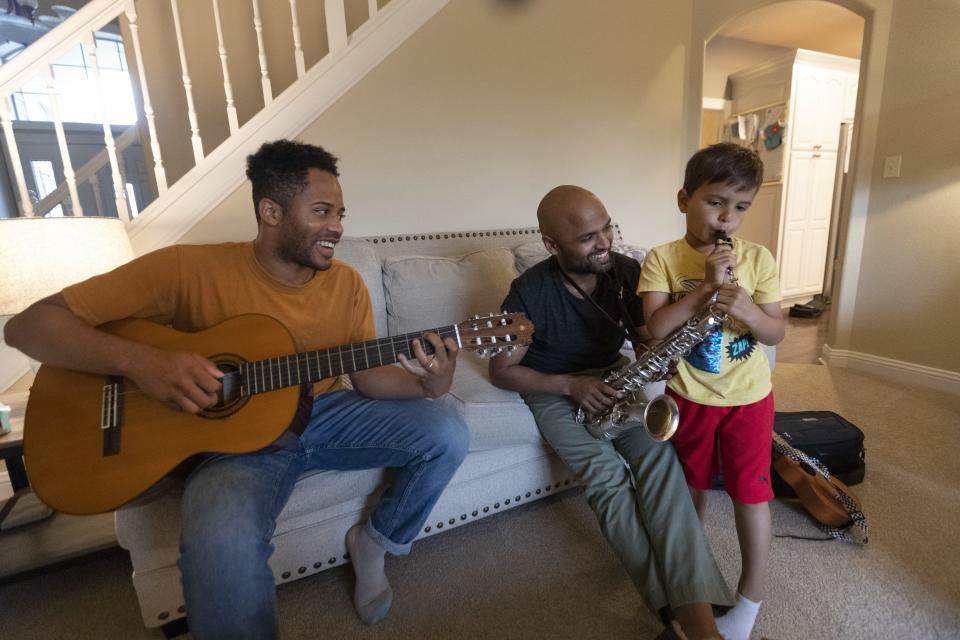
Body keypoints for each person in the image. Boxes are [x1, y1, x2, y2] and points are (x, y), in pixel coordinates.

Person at [4, 139, 470, 639]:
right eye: (321, 211)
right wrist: (144, 364)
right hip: (234, 448)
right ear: (270, 211)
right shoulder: (186, 268)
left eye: (339, 212)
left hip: (325, 412)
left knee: (448, 431)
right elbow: (29, 327)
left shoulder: (347, 285)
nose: (336, 225)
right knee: (219, 545)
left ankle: (376, 542)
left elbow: (370, 377)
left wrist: (429, 385)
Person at [488, 185, 735, 640]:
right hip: (554, 388)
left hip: (615, 375)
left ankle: (696, 619)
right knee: (606, 477)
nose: (604, 243)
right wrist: (569, 385)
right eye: (587, 238)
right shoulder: (527, 293)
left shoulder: (624, 270)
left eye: (607, 228)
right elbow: (502, 370)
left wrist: (657, 352)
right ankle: (674, 611)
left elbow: (644, 334)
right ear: (551, 245)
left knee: (662, 462)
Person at [638, 142, 784, 640]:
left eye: (741, 207)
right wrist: (702, 288)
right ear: (684, 200)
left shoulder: (759, 259)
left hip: (748, 399)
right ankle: (691, 585)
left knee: (751, 494)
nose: (727, 218)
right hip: (689, 397)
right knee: (690, 493)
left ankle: (749, 601)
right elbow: (656, 329)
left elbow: (775, 333)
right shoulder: (661, 258)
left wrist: (748, 311)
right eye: (715, 202)